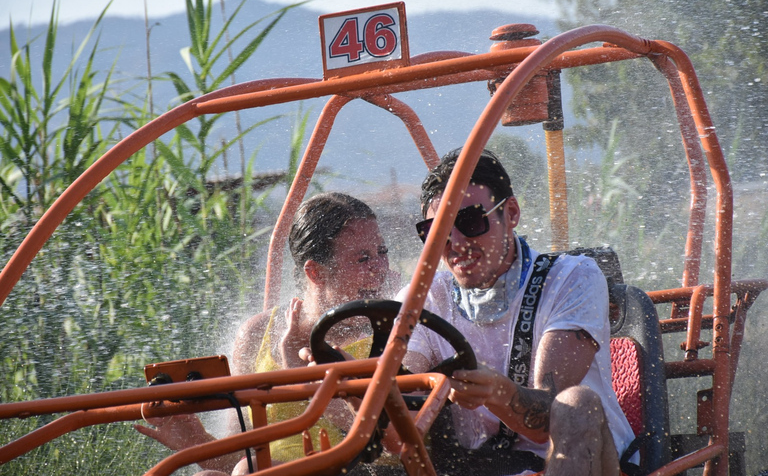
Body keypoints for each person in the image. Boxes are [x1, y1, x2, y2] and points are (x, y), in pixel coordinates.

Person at [398, 148, 636, 476]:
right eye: (437, 232)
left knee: (577, 404)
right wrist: (359, 392)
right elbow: (401, 421)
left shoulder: (573, 276)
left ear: (510, 213)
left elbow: (550, 416)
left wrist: (500, 393)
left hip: (586, 461)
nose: (455, 243)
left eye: (469, 222)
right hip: (478, 467)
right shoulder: (423, 297)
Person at [136, 192, 397, 475]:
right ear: (315, 273)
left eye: (382, 253)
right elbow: (239, 455)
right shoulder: (258, 333)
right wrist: (195, 442)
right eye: (363, 259)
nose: (379, 270)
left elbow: (397, 442)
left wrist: (302, 377)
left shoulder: (394, 331)